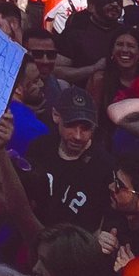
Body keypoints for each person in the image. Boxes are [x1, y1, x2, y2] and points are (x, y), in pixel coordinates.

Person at [27, 85, 113, 232]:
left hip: (72, 248)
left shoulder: (104, 166)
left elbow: (107, 217)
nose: (78, 136)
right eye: (71, 125)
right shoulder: (40, 148)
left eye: (86, 128)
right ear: (56, 116)